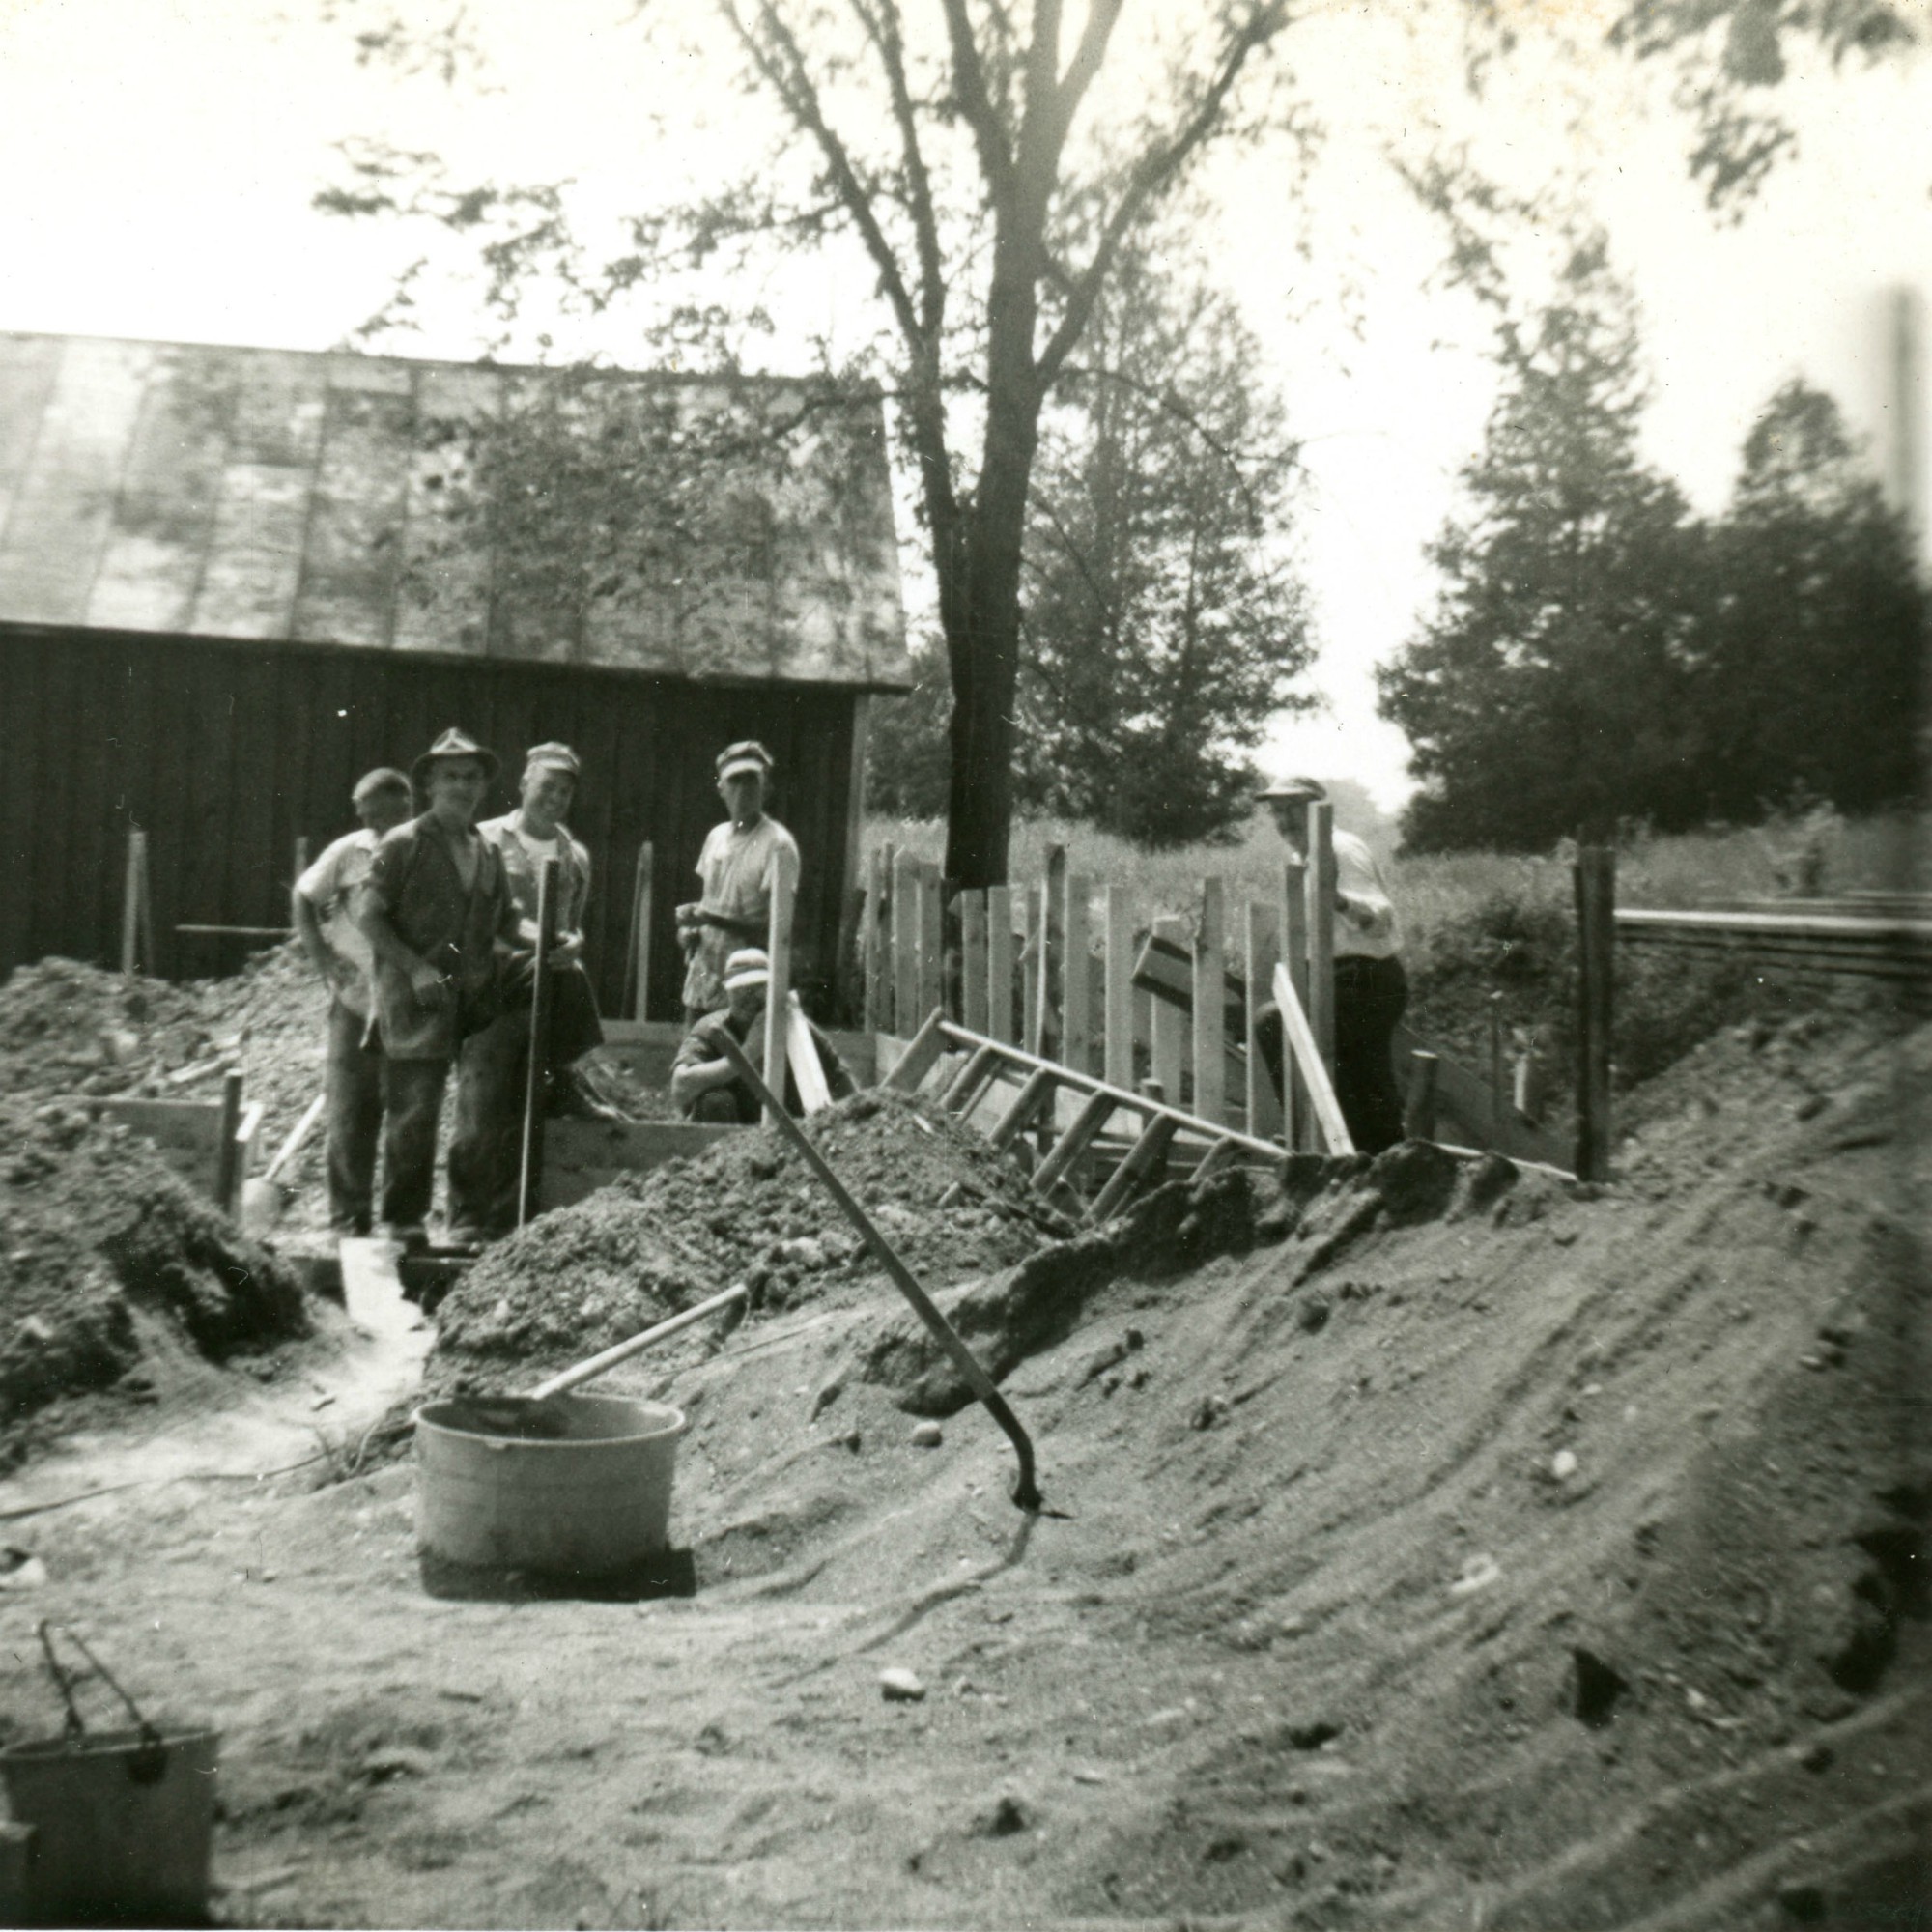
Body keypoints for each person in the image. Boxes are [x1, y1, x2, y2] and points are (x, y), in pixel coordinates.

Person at [449, 741, 618, 1241]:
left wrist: (573, 943)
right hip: (492, 992)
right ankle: (466, 1219)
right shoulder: (484, 841)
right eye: (547, 786)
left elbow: (573, 923)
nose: (555, 797)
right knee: (481, 1106)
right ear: (524, 784)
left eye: (565, 790)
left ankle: (507, 1223)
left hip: (543, 995)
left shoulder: (575, 854)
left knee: (527, 1108)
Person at [356, 728, 520, 1245]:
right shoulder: (400, 843)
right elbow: (368, 916)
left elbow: (509, 922)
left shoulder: (488, 851)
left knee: (479, 1113)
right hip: (415, 1001)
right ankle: (404, 1223)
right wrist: (414, 968)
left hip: (472, 1002)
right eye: (451, 776)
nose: (462, 787)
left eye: (472, 778)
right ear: (428, 782)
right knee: (414, 1114)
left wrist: (556, 941)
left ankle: (467, 1219)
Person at [1254, 775, 1408, 1154]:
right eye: (1277, 814)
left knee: (1274, 1023)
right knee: (1361, 1083)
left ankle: (1309, 1139)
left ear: (1316, 810)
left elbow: (1380, 919)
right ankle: (1368, 1157)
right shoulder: (1301, 857)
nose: (1284, 822)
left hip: (1365, 977)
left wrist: (1337, 899)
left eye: (1292, 811)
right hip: (1340, 977)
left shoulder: (1340, 848)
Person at [290, 767, 413, 1236]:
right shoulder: (348, 851)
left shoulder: (424, 849)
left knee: (406, 1114)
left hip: (407, 1003)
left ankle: (400, 1220)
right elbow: (305, 896)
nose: (362, 814)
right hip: (355, 1000)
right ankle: (348, 1216)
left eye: (371, 806)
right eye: (360, 808)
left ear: (401, 803)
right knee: (349, 1109)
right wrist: (321, 956)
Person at [677, 741, 800, 1025]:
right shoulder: (715, 837)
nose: (743, 790)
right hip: (703, 981)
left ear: (766, 788)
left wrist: (710, 918)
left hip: (747, 987)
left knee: (737, 1067)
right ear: (721, 789)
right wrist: (690, 932)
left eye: (751, 781)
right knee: (690, 1063)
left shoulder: (778, 845)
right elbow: (709, 907)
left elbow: (778, 930)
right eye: (735, 781)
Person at [671, 948, 854, 1123]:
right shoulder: (712, 1029)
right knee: (715, 1101)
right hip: (728, 1138)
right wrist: (746, 1055)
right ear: (727, 992)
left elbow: (846, 1087)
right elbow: (680, 1087)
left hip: (787, 1136)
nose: (748, 997)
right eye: (739, 989)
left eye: (757, 988)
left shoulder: (799, 1030)